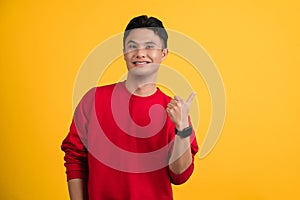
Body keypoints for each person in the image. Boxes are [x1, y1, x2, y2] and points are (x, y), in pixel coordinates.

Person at [61, 15, 198, 200]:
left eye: (150, 46)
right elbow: (75, 158)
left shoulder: (175, 111)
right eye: (133, 46)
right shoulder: (93, 100)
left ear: (163, 53)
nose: (140, 53)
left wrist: (182, 129)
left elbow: (179, 176)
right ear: (124, 52)